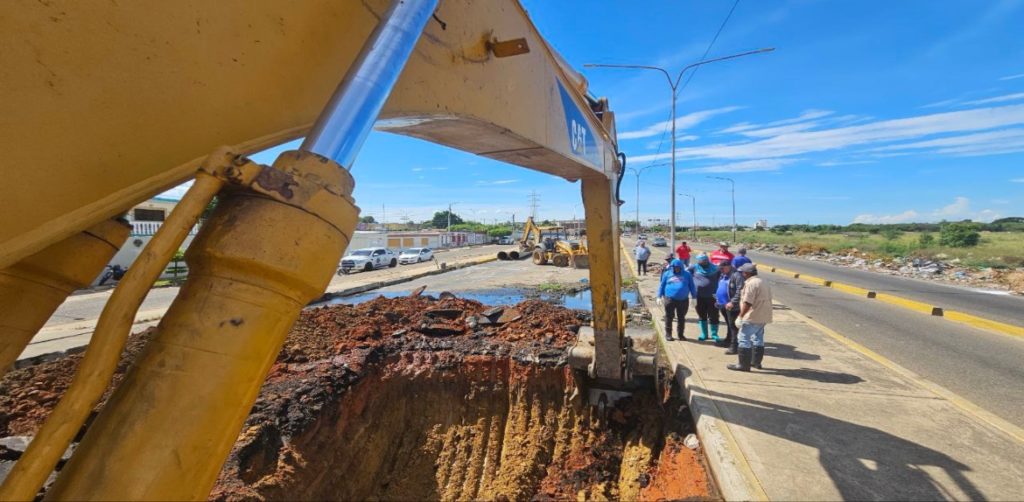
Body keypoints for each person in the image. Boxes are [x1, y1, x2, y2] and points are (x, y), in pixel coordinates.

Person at [728, 263, 773, 372]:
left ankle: (743, 365)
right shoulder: (763, 281)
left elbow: (748, 302)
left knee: (743, 338)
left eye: (743, 272)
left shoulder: (750, 284)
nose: (742, 274)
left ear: (746, 273)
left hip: (753, 316)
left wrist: (740, 316)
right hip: (764, 315)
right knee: (758, 338)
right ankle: (756, 362)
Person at [657, 258, 696, 341]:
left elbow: (692, 286)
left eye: (678, 267)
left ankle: (681, 335)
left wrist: (694, 297)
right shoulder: (667, 274)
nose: (677, 269)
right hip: (670, 299)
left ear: (681, 267)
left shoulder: (687, 274)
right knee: (669, 316)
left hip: (683, 300)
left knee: (681, 317)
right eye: (675, 267)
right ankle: (668, 334)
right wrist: (659, 296)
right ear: (672, 267)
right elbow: (662, 286)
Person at [689, 254, 721, 342]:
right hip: (698, 297)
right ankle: (704, 334)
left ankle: (714, 334)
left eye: (705, 262)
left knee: (714, 315)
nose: (703, 264)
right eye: (701, 262)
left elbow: (721, 279)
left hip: (713, 297)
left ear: (707, 260)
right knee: (702, 315)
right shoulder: (694, 268)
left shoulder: (716, 268)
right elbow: (685, 276)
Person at [718, 260, 745, 355]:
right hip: (724, 304)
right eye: (720, 268)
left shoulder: (736, 275)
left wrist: (732, 302)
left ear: (728, 266)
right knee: (729, 324)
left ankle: (734, 347)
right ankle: (728, 340)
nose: (720, 270)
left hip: (733, 306)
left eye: (722, 268)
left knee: (733, 326)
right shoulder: (723, 274)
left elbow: (740, 290)